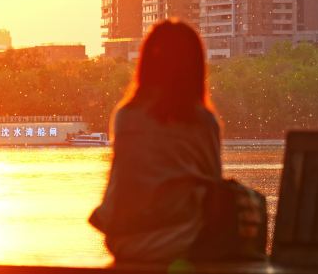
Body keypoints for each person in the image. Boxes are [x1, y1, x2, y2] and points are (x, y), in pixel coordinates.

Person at [89, 19, 222, 263]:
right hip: (182, 244)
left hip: (124, 242)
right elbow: (214, 186)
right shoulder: (201, 121)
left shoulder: (126, 115)